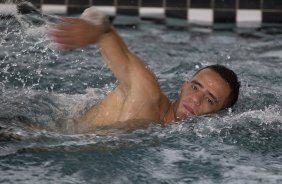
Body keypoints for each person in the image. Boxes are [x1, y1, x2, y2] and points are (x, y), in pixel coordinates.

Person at [50, 7, 240, 130]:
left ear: (218, 116)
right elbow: (99, 19)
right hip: (31, 136)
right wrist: (94, 28)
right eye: (195, 87)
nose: (195, 99)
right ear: (183, 86)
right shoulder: (147, 94)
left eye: (210, 99)